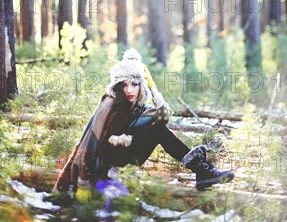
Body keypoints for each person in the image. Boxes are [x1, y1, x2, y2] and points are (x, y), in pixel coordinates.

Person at [53, 50, 234, 195]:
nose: (129, 90)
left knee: (158, 129)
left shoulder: (138, 106)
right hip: (104, 170)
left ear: (141, 85)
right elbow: (89, 142)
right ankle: (202, 171)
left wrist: (152, 85)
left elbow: (163, 116)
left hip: (123, 163)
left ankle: (202, 171)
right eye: (125, 84)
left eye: (135, 84)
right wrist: (83, 180)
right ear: (118, 86)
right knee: (156, 131)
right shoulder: (110, 104)